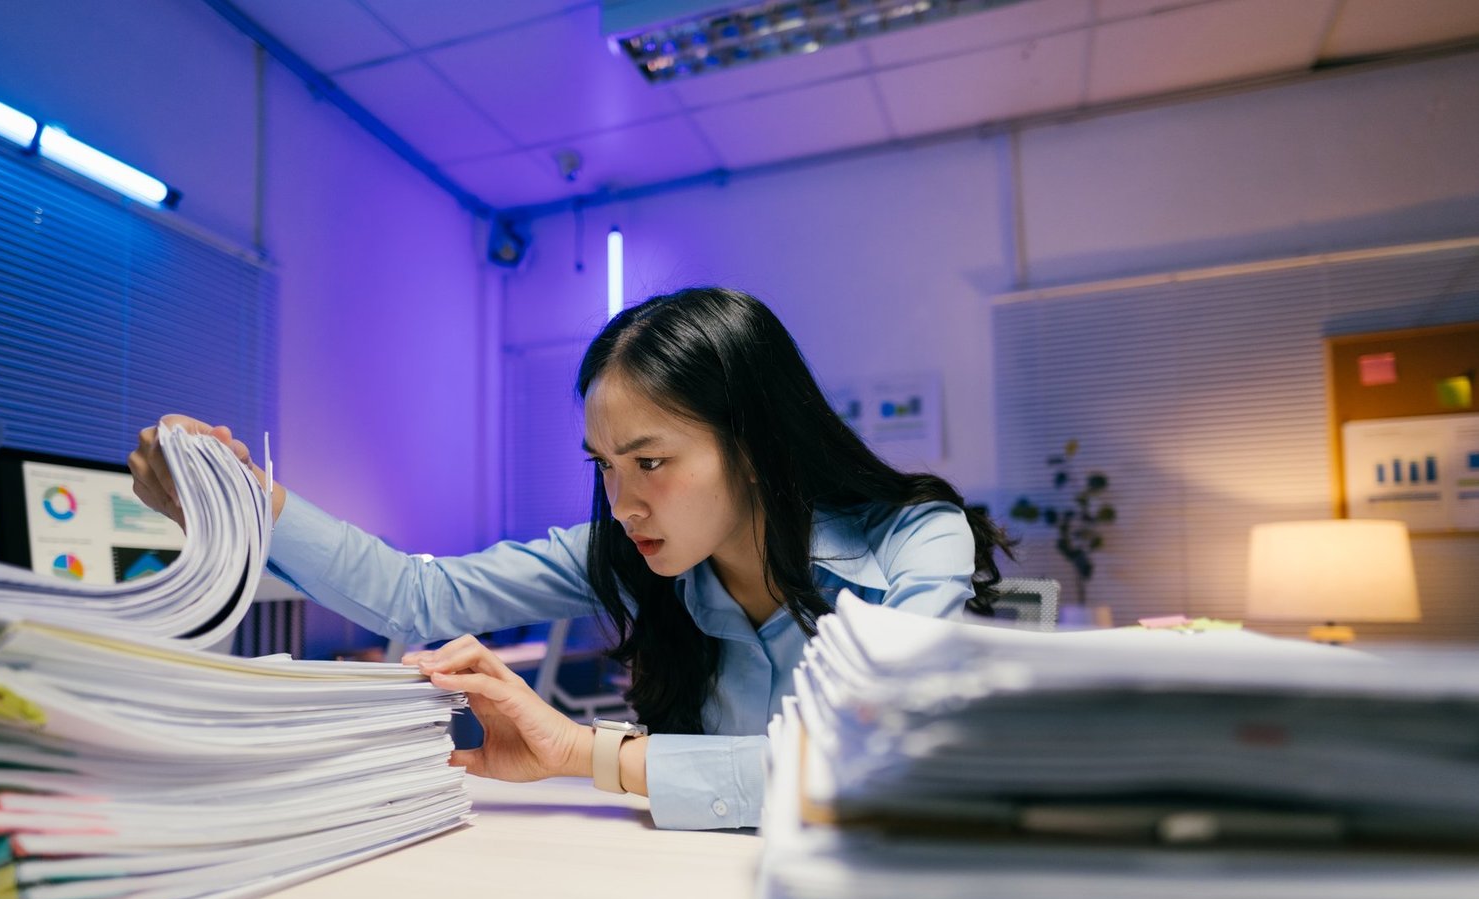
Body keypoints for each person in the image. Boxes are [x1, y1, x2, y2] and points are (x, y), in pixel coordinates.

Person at [130, 287, 1012, 830]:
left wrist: (586, 753)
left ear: (756, 445)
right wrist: (245, 501)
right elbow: (418, 596)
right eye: (605, 468)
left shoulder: (917, 539)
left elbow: (867, 762)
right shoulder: (631, 551)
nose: (623, 505)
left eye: (651, 463)